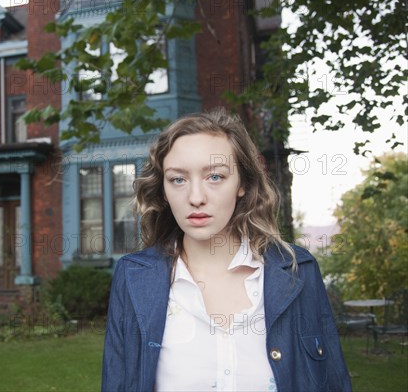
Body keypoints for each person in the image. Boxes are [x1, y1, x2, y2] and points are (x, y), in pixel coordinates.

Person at [101, 108, 352, 392]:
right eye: (178, 179)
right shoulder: (134, 276)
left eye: (215, 177)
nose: (196, 198)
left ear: (242, 184)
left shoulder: (297, 270)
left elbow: (332, 381)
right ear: (163, 190)